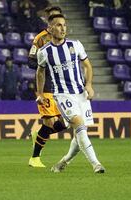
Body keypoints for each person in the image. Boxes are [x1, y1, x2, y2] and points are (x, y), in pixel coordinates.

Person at [37, 14, 105, 173]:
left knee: (80, 133)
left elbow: (87, 66)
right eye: (59, 25)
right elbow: (40, 73)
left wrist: (89, 85)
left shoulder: (76, 45)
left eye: (64, 25)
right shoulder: (44, 52)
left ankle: (63, 162)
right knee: (79, 125)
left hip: (81, 94)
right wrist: (40, 93)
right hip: (62, 95)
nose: (63, 28)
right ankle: (96, 164)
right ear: (50, 28)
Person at [27, 6, 70, 168]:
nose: (57, 24)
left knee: (66, 123)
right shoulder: (40, 38)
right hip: (46, 85)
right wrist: (43, 63)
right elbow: (30, 61)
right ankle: (35, 158)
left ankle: (38, 135)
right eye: (52, 18)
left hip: (61, 86)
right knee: (50, 123)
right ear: (48, 20)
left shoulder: (64, 40)